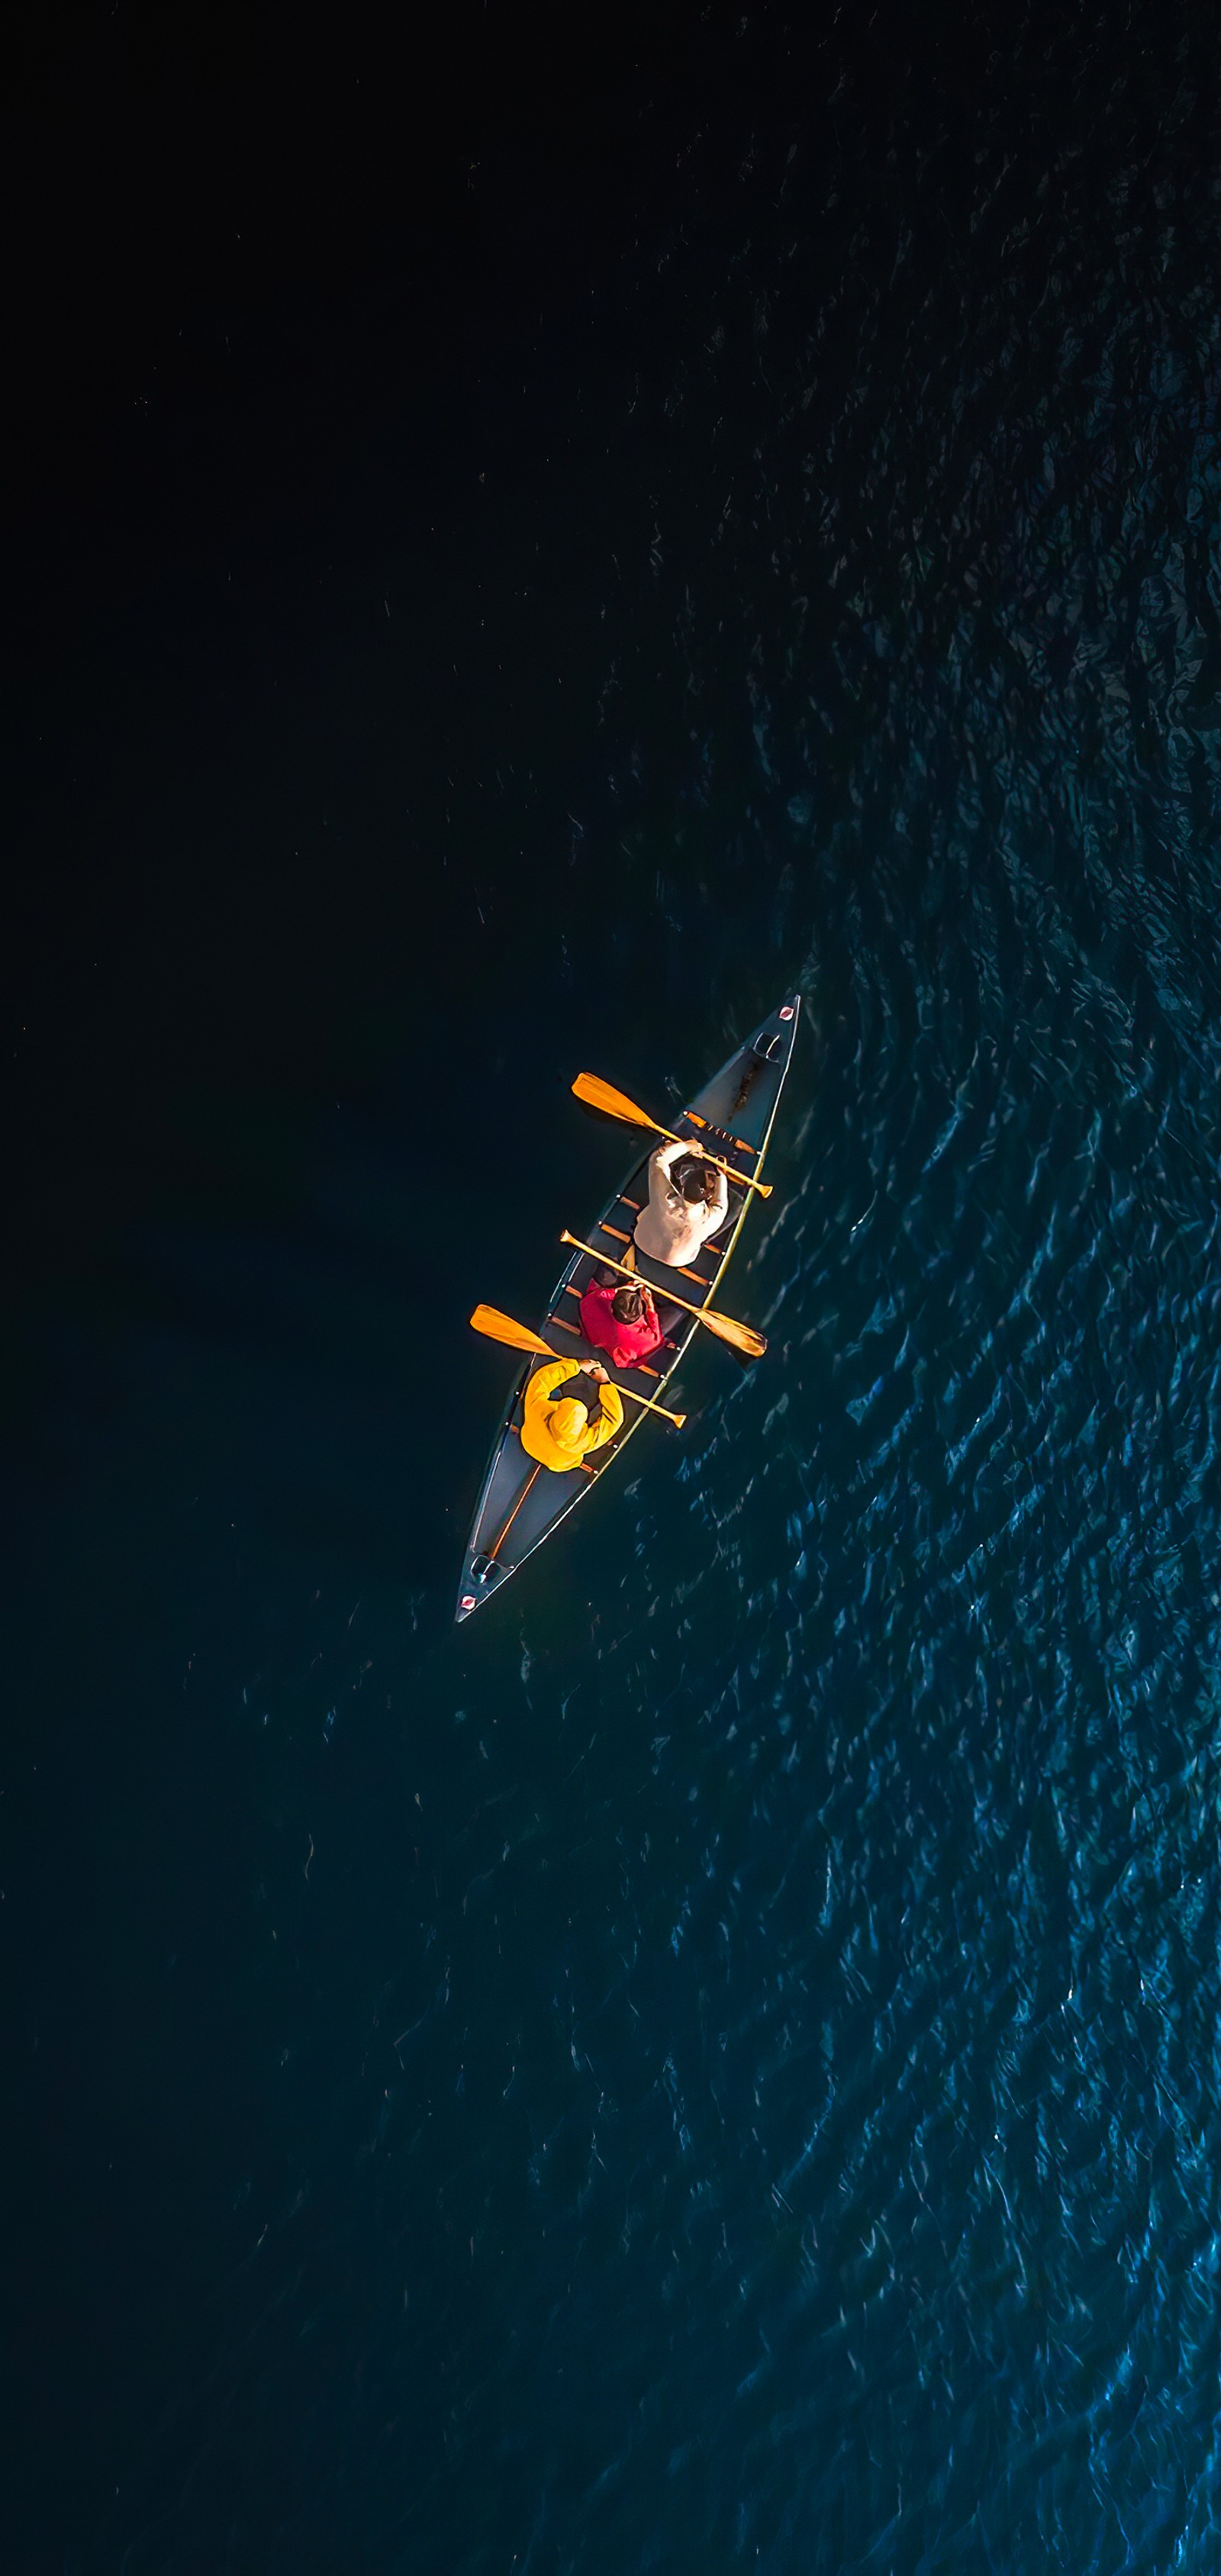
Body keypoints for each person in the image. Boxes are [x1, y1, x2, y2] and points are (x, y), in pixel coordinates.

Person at [633, 1138, 730, 1270]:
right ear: (708, 1196)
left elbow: (658, 1160)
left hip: (642, 1239)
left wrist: (688, 1146)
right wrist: (721, 1174)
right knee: (736, 1202)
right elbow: (721, 1202)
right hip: (679, 1260)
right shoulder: (713, 1218)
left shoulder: (667, 1200)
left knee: (658, 1184)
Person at [519, 1355, 624, 1473]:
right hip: (559, 1462)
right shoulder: (582, 1443)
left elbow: (543, 1379)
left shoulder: (537, 1410)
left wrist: (577, 1366)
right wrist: (605, 1385)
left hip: (531, 1441)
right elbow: (615, 1420)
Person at [578, 1274, 665, 1370]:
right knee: (677, 1310)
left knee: (606, 1276)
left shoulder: (595, 1308)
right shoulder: (652, 1339)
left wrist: (619, 1290)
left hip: (607, 1350)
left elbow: (594, 1297)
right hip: (624, 1357)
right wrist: (649, 1301)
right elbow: (652, 1314)